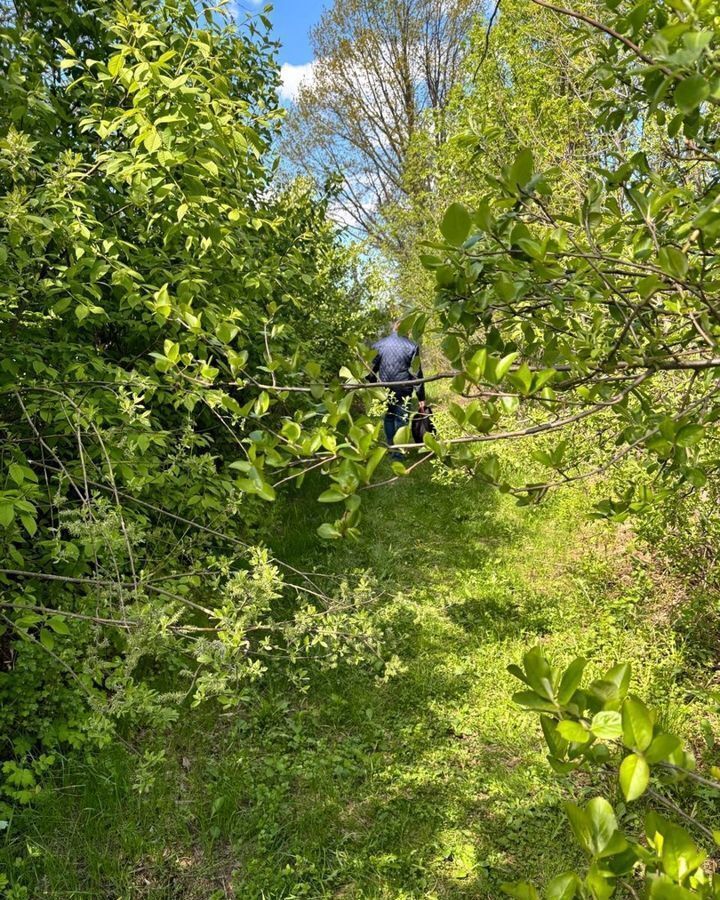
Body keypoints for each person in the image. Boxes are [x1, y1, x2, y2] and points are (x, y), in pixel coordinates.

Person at [370, 323, 426, 457]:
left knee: (389, 417)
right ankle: (400, 451)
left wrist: (373, 387)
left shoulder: (379, 345)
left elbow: (371, 370)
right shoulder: (412, 346)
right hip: (403, 389)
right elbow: (416, 374)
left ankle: (391, 447)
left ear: (394, 329)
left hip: (384, 390)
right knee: (402, 418)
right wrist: (421, 397)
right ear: (406, 331)